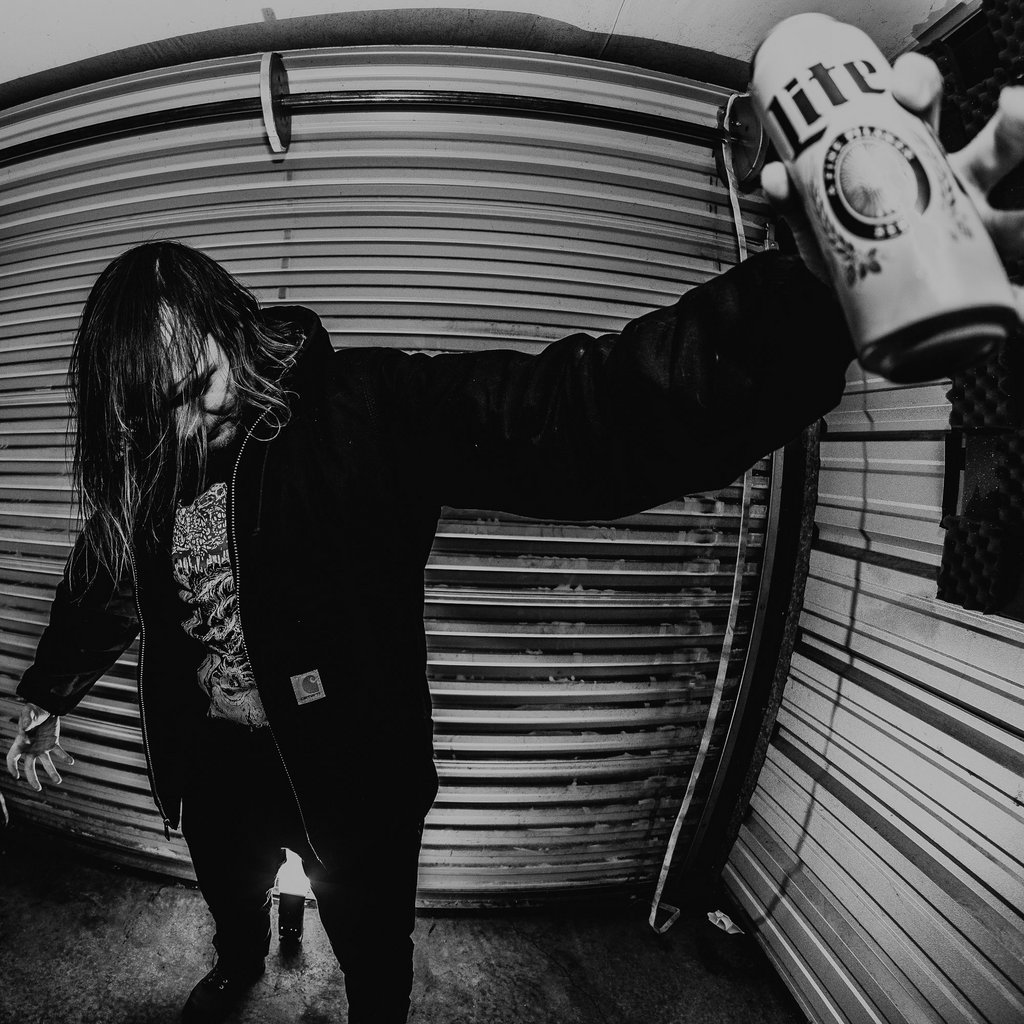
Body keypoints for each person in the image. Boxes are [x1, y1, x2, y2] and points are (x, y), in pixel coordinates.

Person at [6, 53, 1023, 1024]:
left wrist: (809, 296)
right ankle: (237, 960)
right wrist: (50, 694)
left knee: (371, 936)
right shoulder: (156, 462)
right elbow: (106, 575)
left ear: (232, 324)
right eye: (156, 414)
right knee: (230, 887)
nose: (187, 426)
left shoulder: (365, 408)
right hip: (219, 763)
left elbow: (580, 414)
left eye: (198, 387)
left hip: (351, 768)